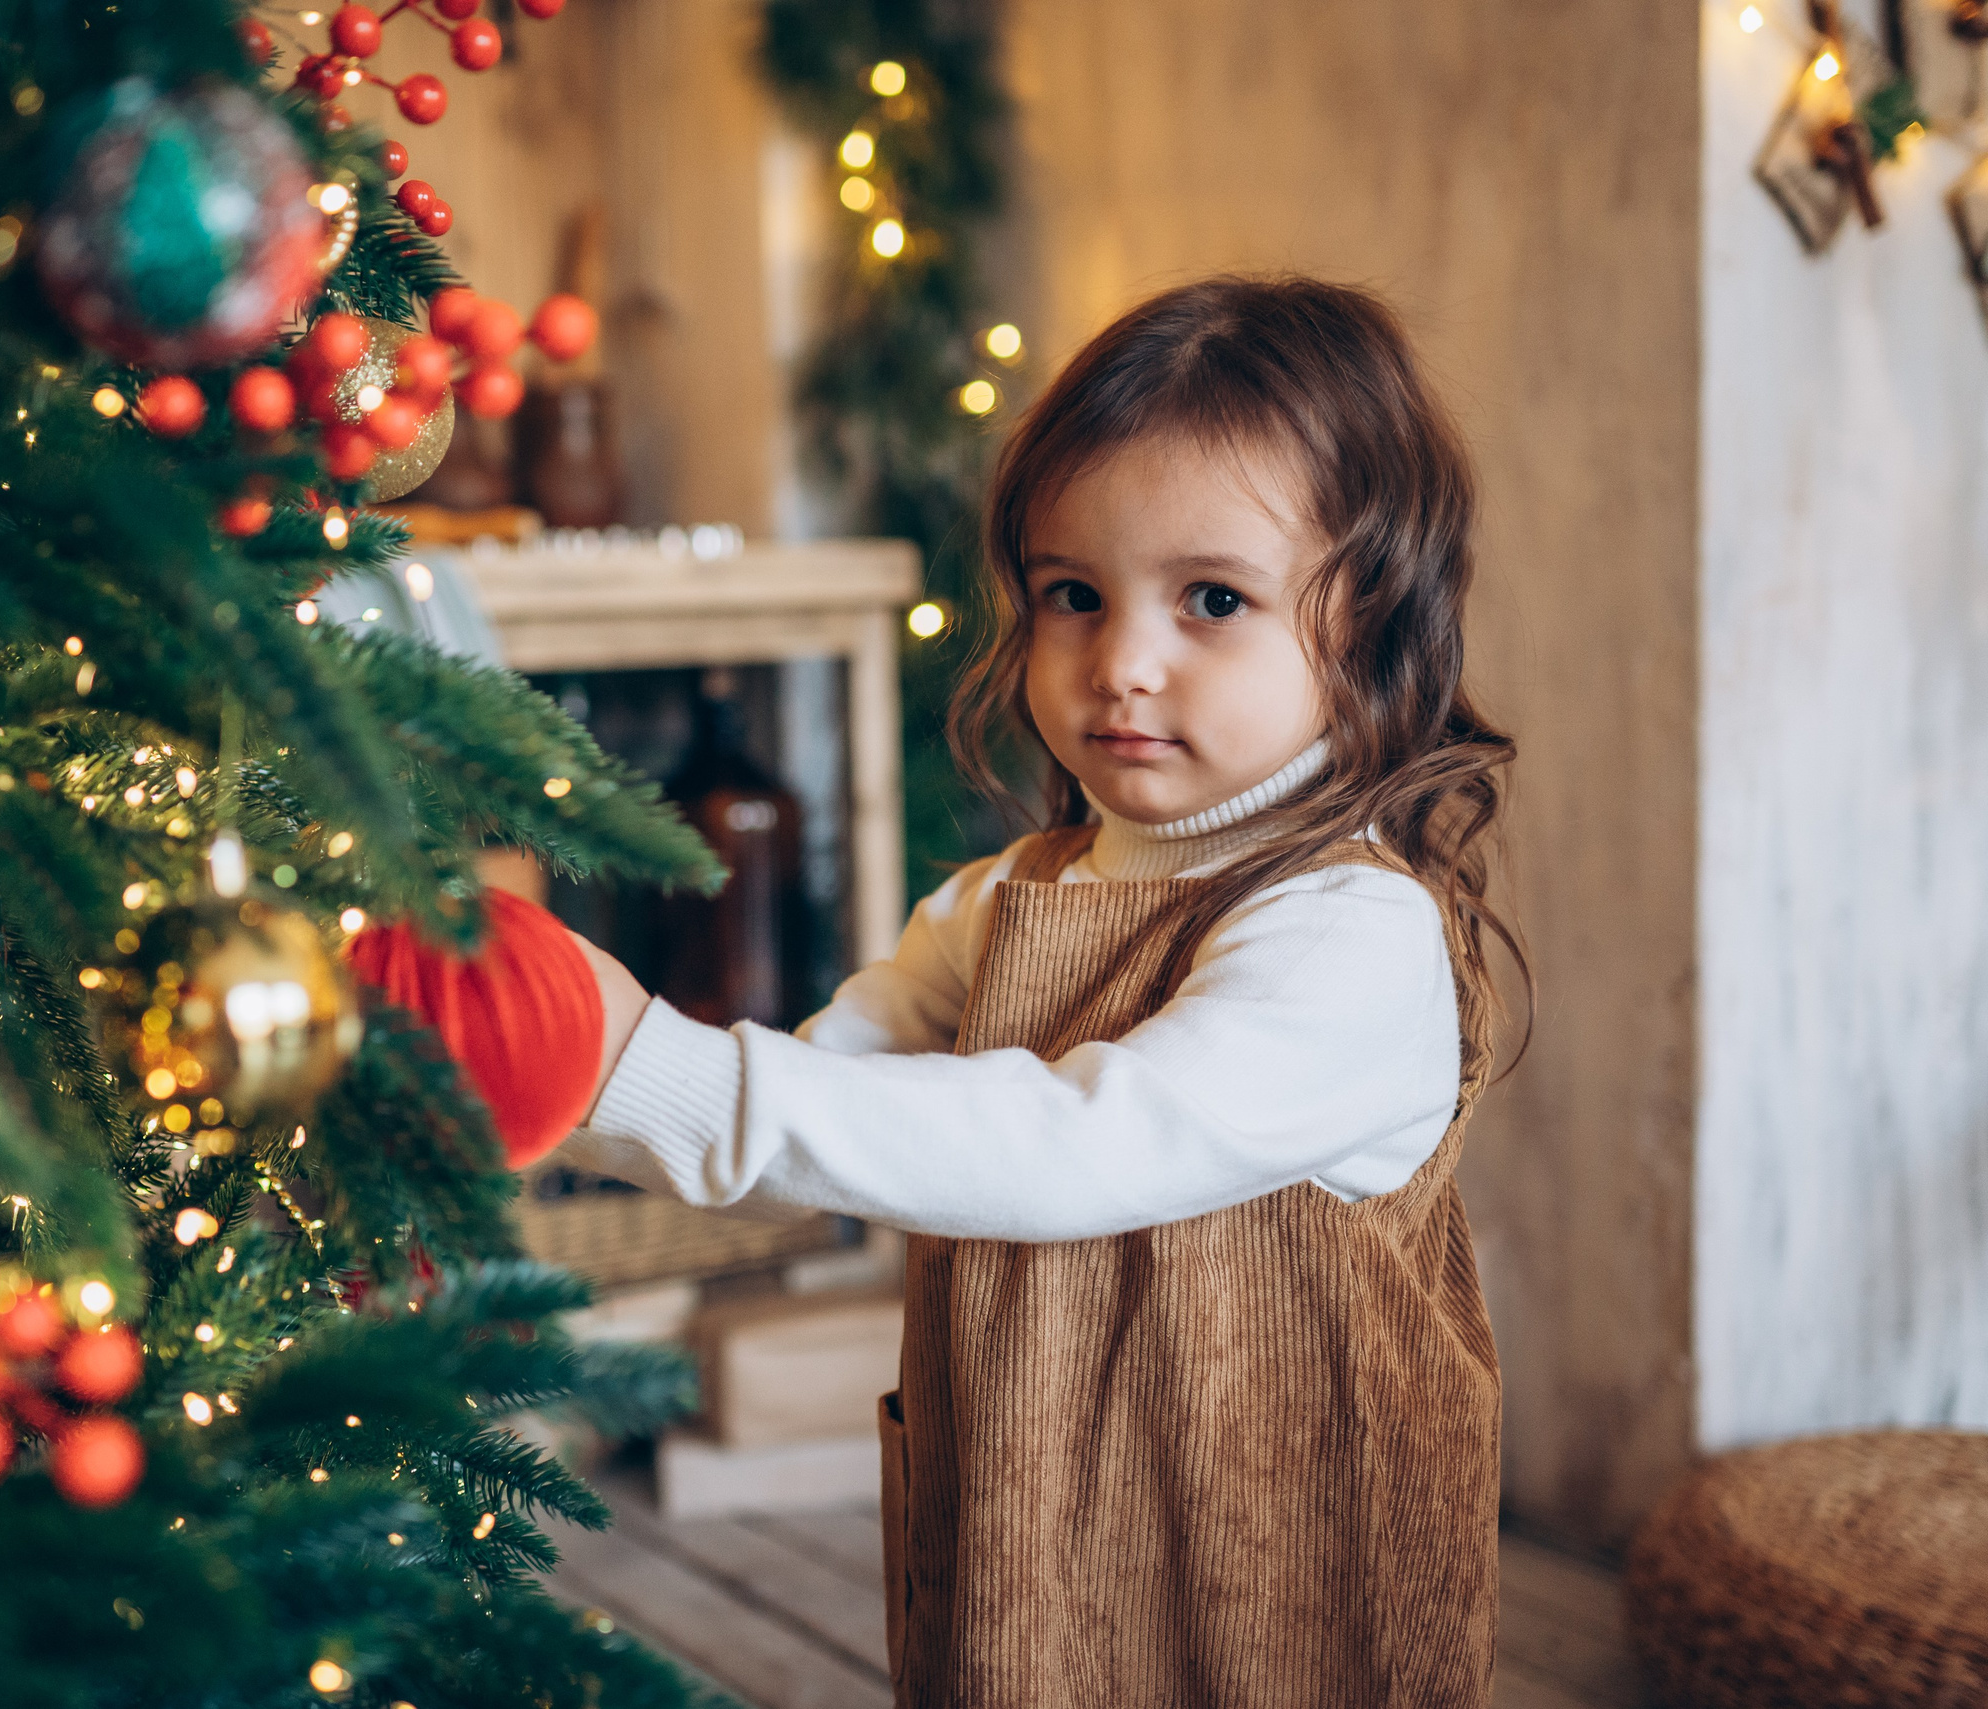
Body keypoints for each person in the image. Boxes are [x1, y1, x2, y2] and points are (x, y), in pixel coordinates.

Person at [560, 274, 1528, 1708]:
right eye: (1074, 593)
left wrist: (648, 1060)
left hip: (1268, 1582)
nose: (1121, 664)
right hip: (1024, 1542)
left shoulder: (1350, 931)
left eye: (1213, 600)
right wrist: (574, 1079)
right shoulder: (1004, 899)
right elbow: (806, 1126)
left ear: (1369, 623)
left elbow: (1078, 1145)